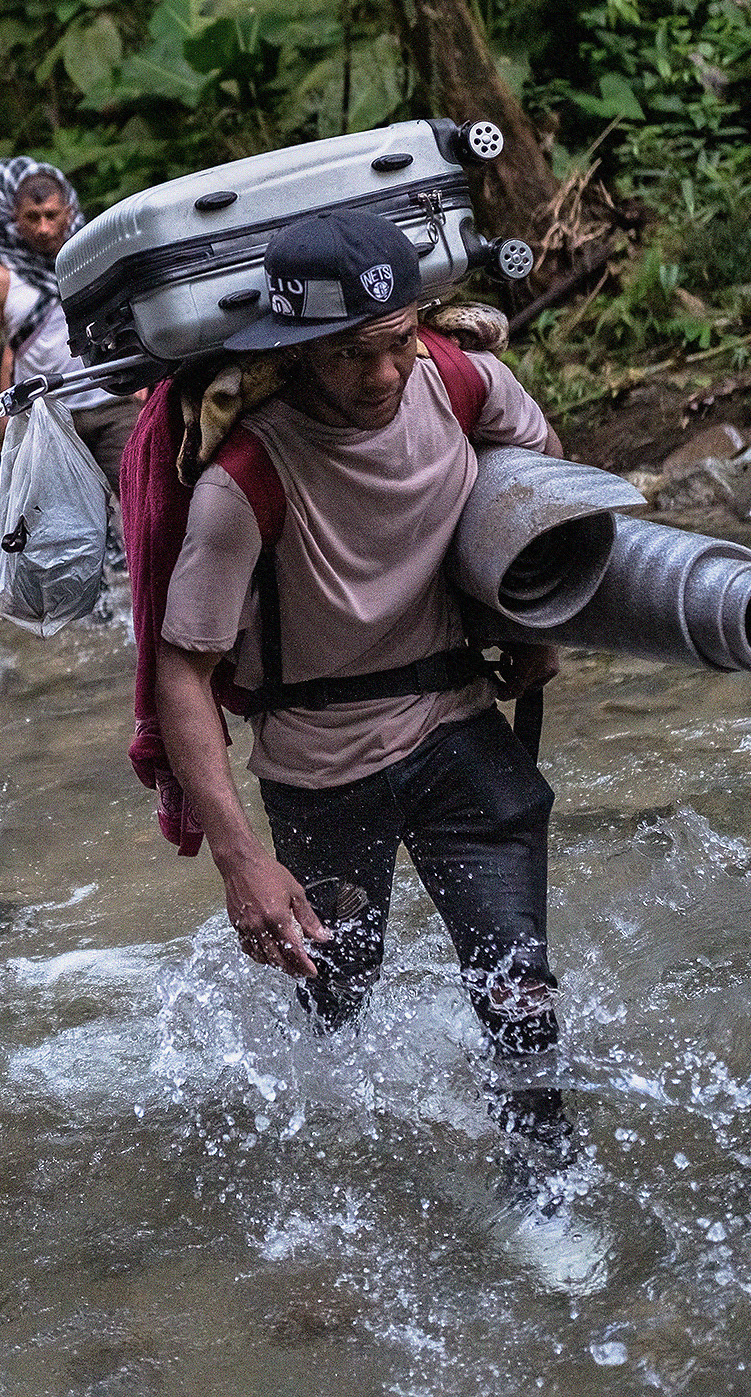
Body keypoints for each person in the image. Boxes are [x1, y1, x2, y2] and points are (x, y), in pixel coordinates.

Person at [136, 213, 583, 1255]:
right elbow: (180, 672)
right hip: (319, 770)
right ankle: (348, 1199)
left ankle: (543, 1185)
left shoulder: (463, 381)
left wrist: (528, 622)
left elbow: (547, 485)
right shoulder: (243, 480)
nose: (384, 373)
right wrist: (239, 862)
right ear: (291, 350)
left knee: (518, 991)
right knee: (338, 1008)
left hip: (459, 731)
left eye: (395, 339)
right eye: (349, 353)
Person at [0, 158, 141, 575]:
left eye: (51, 215)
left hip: (112, 402)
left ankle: (146, 598)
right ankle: (91, 616)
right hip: (47, 418)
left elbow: (133, 316)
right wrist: (1, 412)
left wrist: (142, 379)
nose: (43, 227)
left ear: (70, 213)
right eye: (32, 217)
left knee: (141, 498)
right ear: (14, 220)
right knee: (72, 529)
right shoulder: (0, 278)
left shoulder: (95, 260)